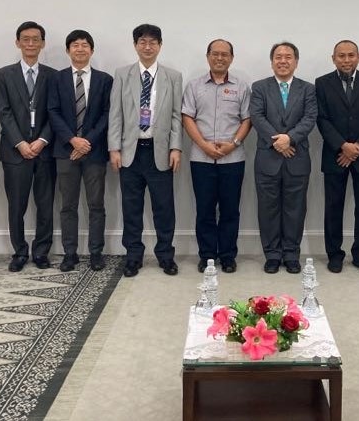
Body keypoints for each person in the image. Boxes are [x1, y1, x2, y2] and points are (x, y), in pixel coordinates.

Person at [109, 23, 183, 278]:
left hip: (159, 151)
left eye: (153, 42)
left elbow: (176, 116)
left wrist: (176, 147)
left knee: (164, 207)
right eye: (143, 42)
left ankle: (166, 256)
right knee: (131, 207)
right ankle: (133, 256)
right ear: (135, 45)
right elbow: (115, 114)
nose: (148, 47)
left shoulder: (173, 76)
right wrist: (114, 148)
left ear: (160, 46)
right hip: (130, 151)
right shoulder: (122, 74)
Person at [182, 39, 251, 274]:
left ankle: (228, 256)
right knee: (205, 210)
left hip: (233, 159)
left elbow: (247, 119)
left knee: (231, 210)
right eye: (215, 53)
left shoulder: (241, 87)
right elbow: (187, 118)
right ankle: (208, 256)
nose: (219, 58)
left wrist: (233, 144)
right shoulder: (194, 86)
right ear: (208, 56)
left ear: (231, 58)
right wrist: (203, 145)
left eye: (224, 54)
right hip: (201, 159)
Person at [315, 40, 359, 274]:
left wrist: (357, 147)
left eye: (351, 55)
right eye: (341, 56)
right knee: (333, 207)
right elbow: (322, 119)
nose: (346, 60)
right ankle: (334, 254)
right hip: (335, 155)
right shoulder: (322, 83)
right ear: (333, 58)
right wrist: (343, 146)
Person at [250, 42, 317, 274]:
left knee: (295, 209)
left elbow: (310, 118)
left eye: (288, 57)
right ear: (272, 62)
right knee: (268, 209)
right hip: (267, 159)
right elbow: (257, 116)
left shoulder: (308, 89)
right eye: (278, 57)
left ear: (296, 61)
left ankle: (291, 254)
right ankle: (272, 255)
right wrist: (278, 142)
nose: (283, 61)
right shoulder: (260, 87)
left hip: (297, 158)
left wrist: (290, 139)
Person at [0, 21, 57, 272]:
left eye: (36, 39)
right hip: (15, 151)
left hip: (45, 150)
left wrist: (42, 140)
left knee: (45, 205)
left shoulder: (53, 75)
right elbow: (4, 111)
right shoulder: (4, 74)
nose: (31, 44)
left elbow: (55, 112)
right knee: (16, 205)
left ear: (43, 43)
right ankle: (20, 252)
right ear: (18, 42)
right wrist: (20, 143)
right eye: (26, 39)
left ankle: (41, 251)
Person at [48, 29, 112, 272]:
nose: (80, 49)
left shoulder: (105, 80)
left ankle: (96, 252)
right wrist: (73, 140)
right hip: (65, 151)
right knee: (68, 205)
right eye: (75, 45)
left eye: (85, 45)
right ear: (68, 50)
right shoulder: (57, 78)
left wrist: (86, 142)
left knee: (96, 205)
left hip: (94, 152)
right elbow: (52, 112)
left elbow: (107, 114)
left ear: (92, 50)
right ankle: (70, 253)